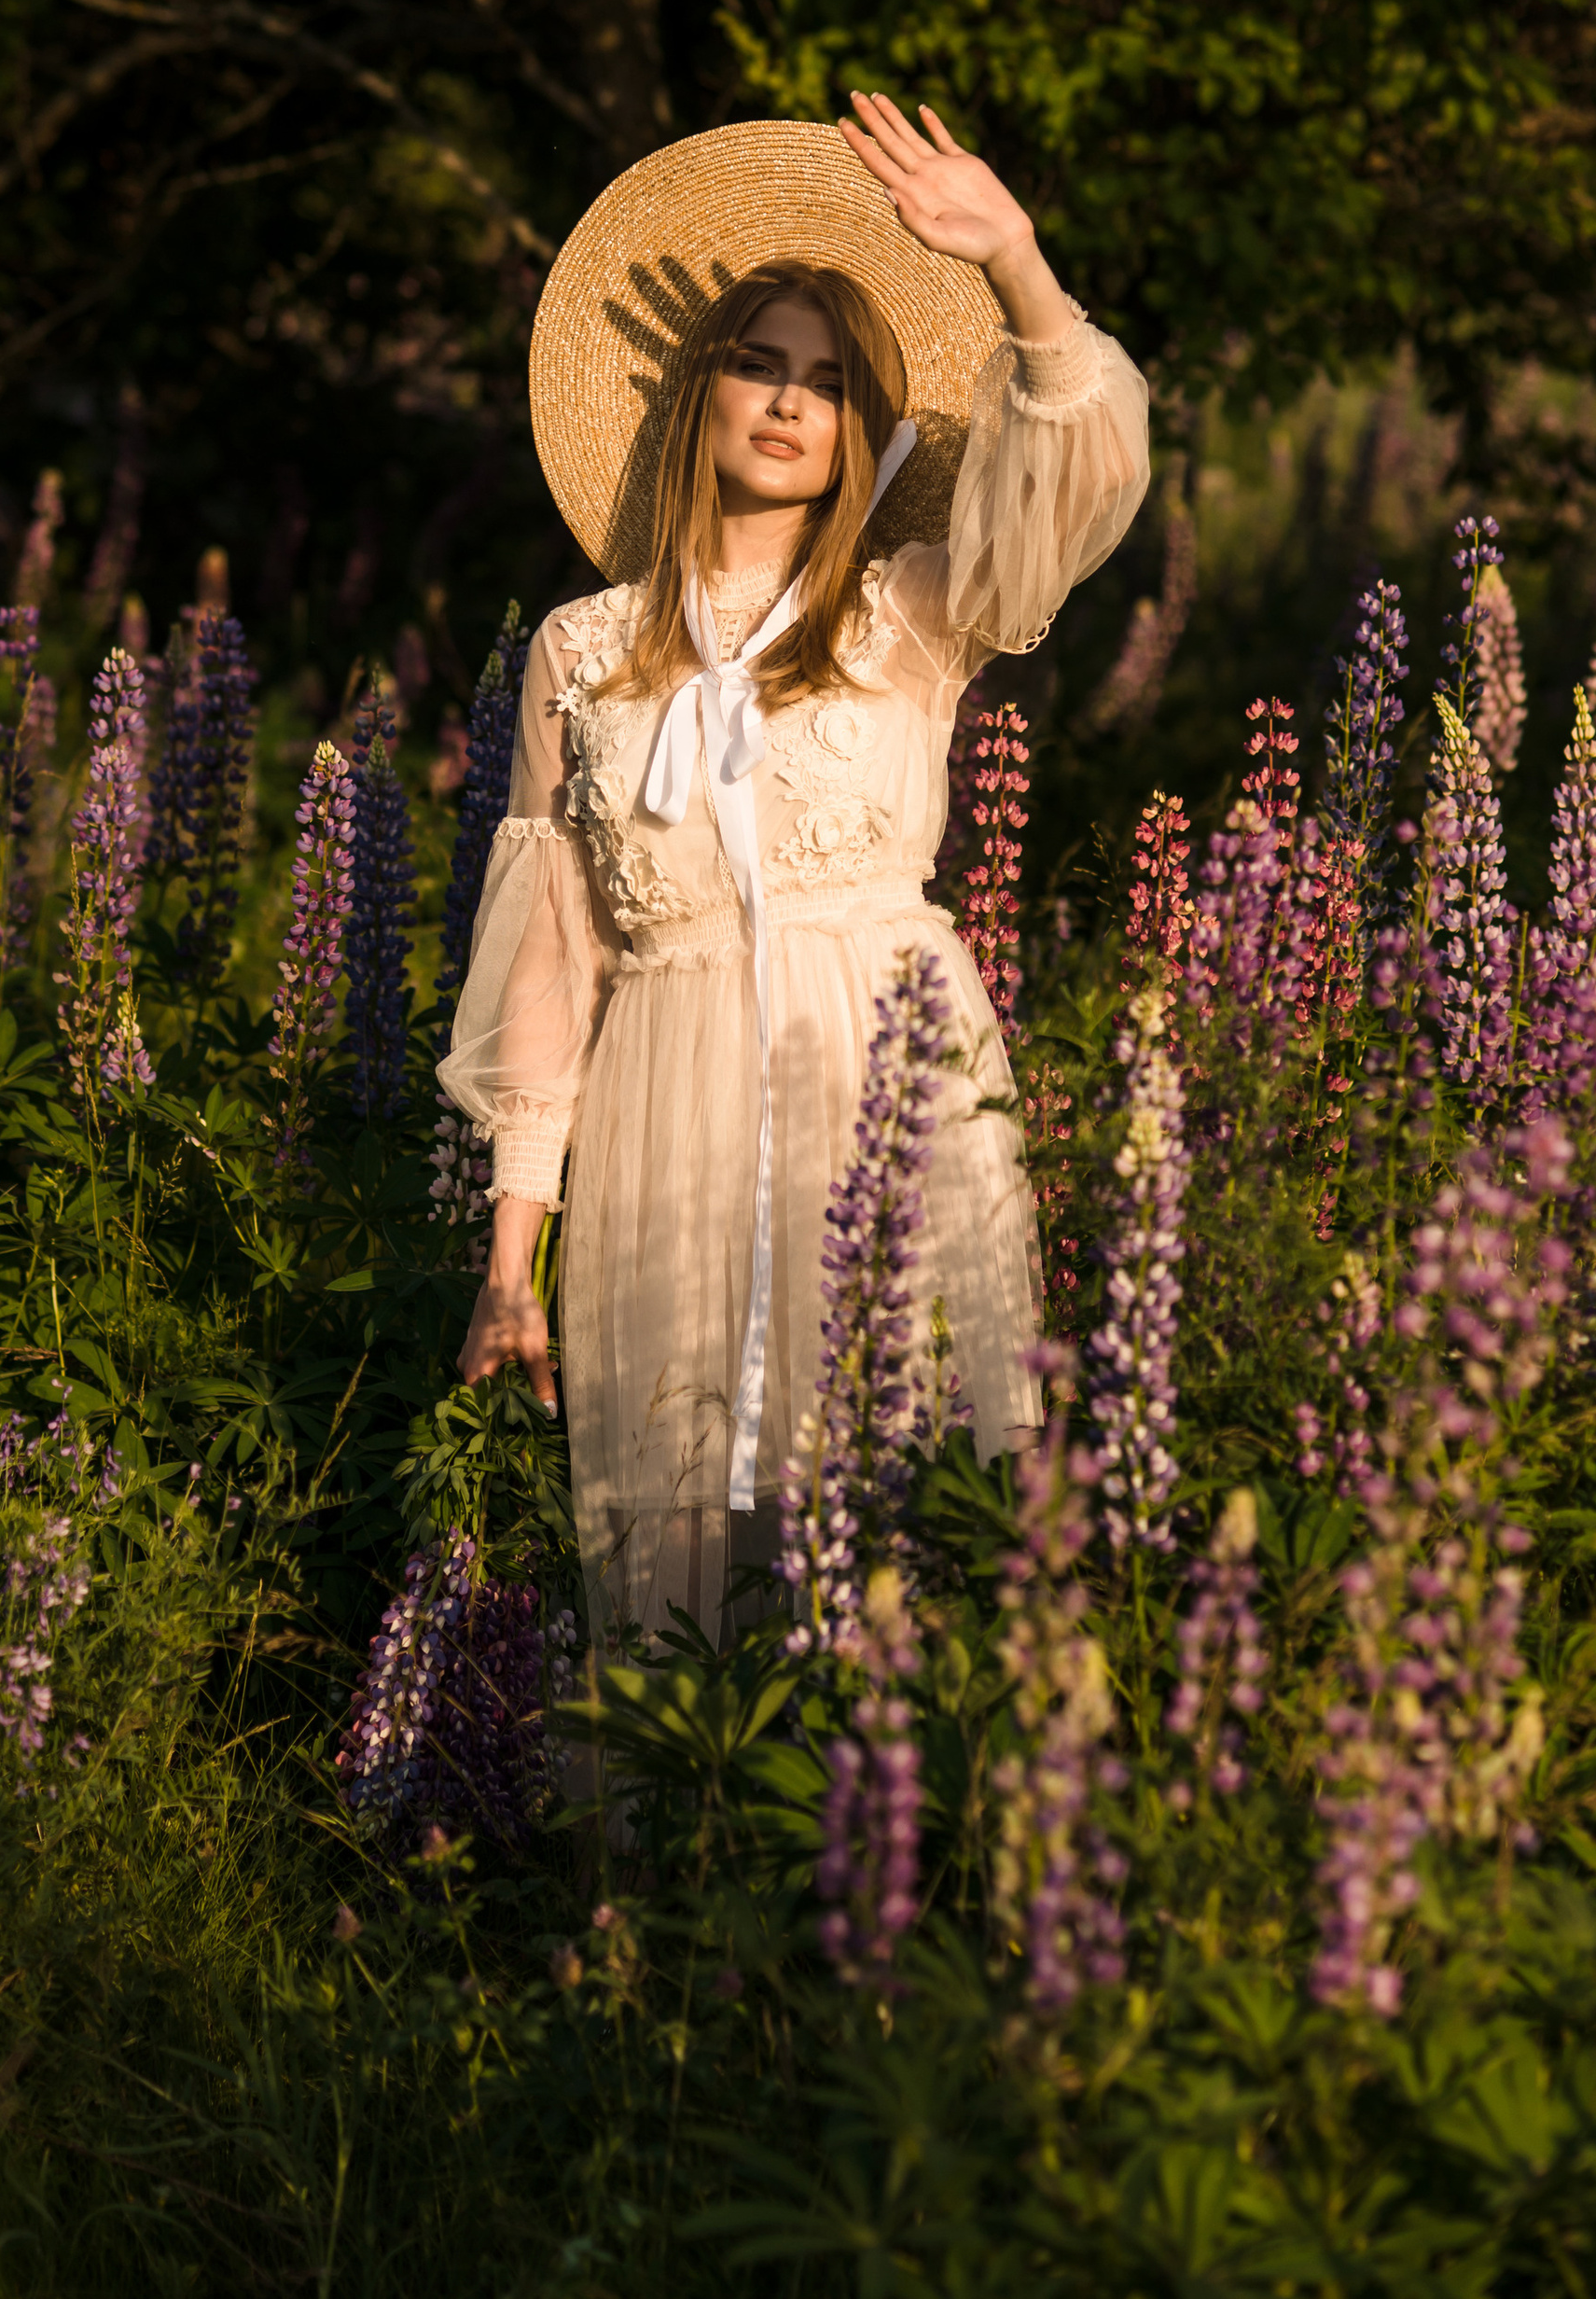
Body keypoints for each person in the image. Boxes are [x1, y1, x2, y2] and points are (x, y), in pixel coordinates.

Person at [437, 94, 1150, 1649]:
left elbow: (1080, 488)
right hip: (665, 1120)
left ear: (857, 437)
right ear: (700, 393)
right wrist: (511, 1262)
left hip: (884, 1083)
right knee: (691, 1552)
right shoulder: (583, 651)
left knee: (907, 1526)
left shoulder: (916, 612)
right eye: (760, 364)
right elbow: (553, 975)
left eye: (828, 385)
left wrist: (1017, 262)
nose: (787, 402)